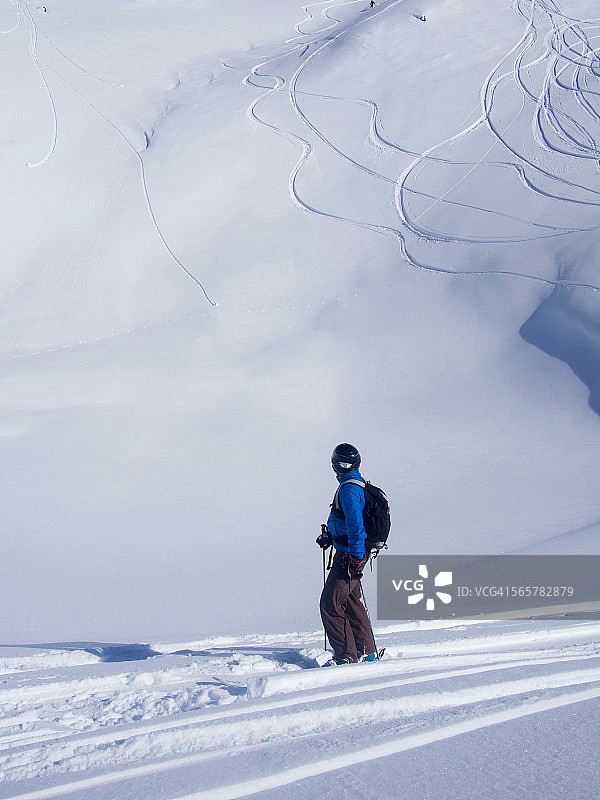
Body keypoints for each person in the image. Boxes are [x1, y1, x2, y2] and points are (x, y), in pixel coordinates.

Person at [317, 443, 376, 664]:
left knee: (330, 604)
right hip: (350, 552)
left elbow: (355, 526)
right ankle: (366, 652)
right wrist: (331, 537)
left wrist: (355, 558)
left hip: (349, 556)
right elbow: (347, 523)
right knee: (350, 601)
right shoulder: (355, 485)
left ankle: (346, 657)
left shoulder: (349, 490)